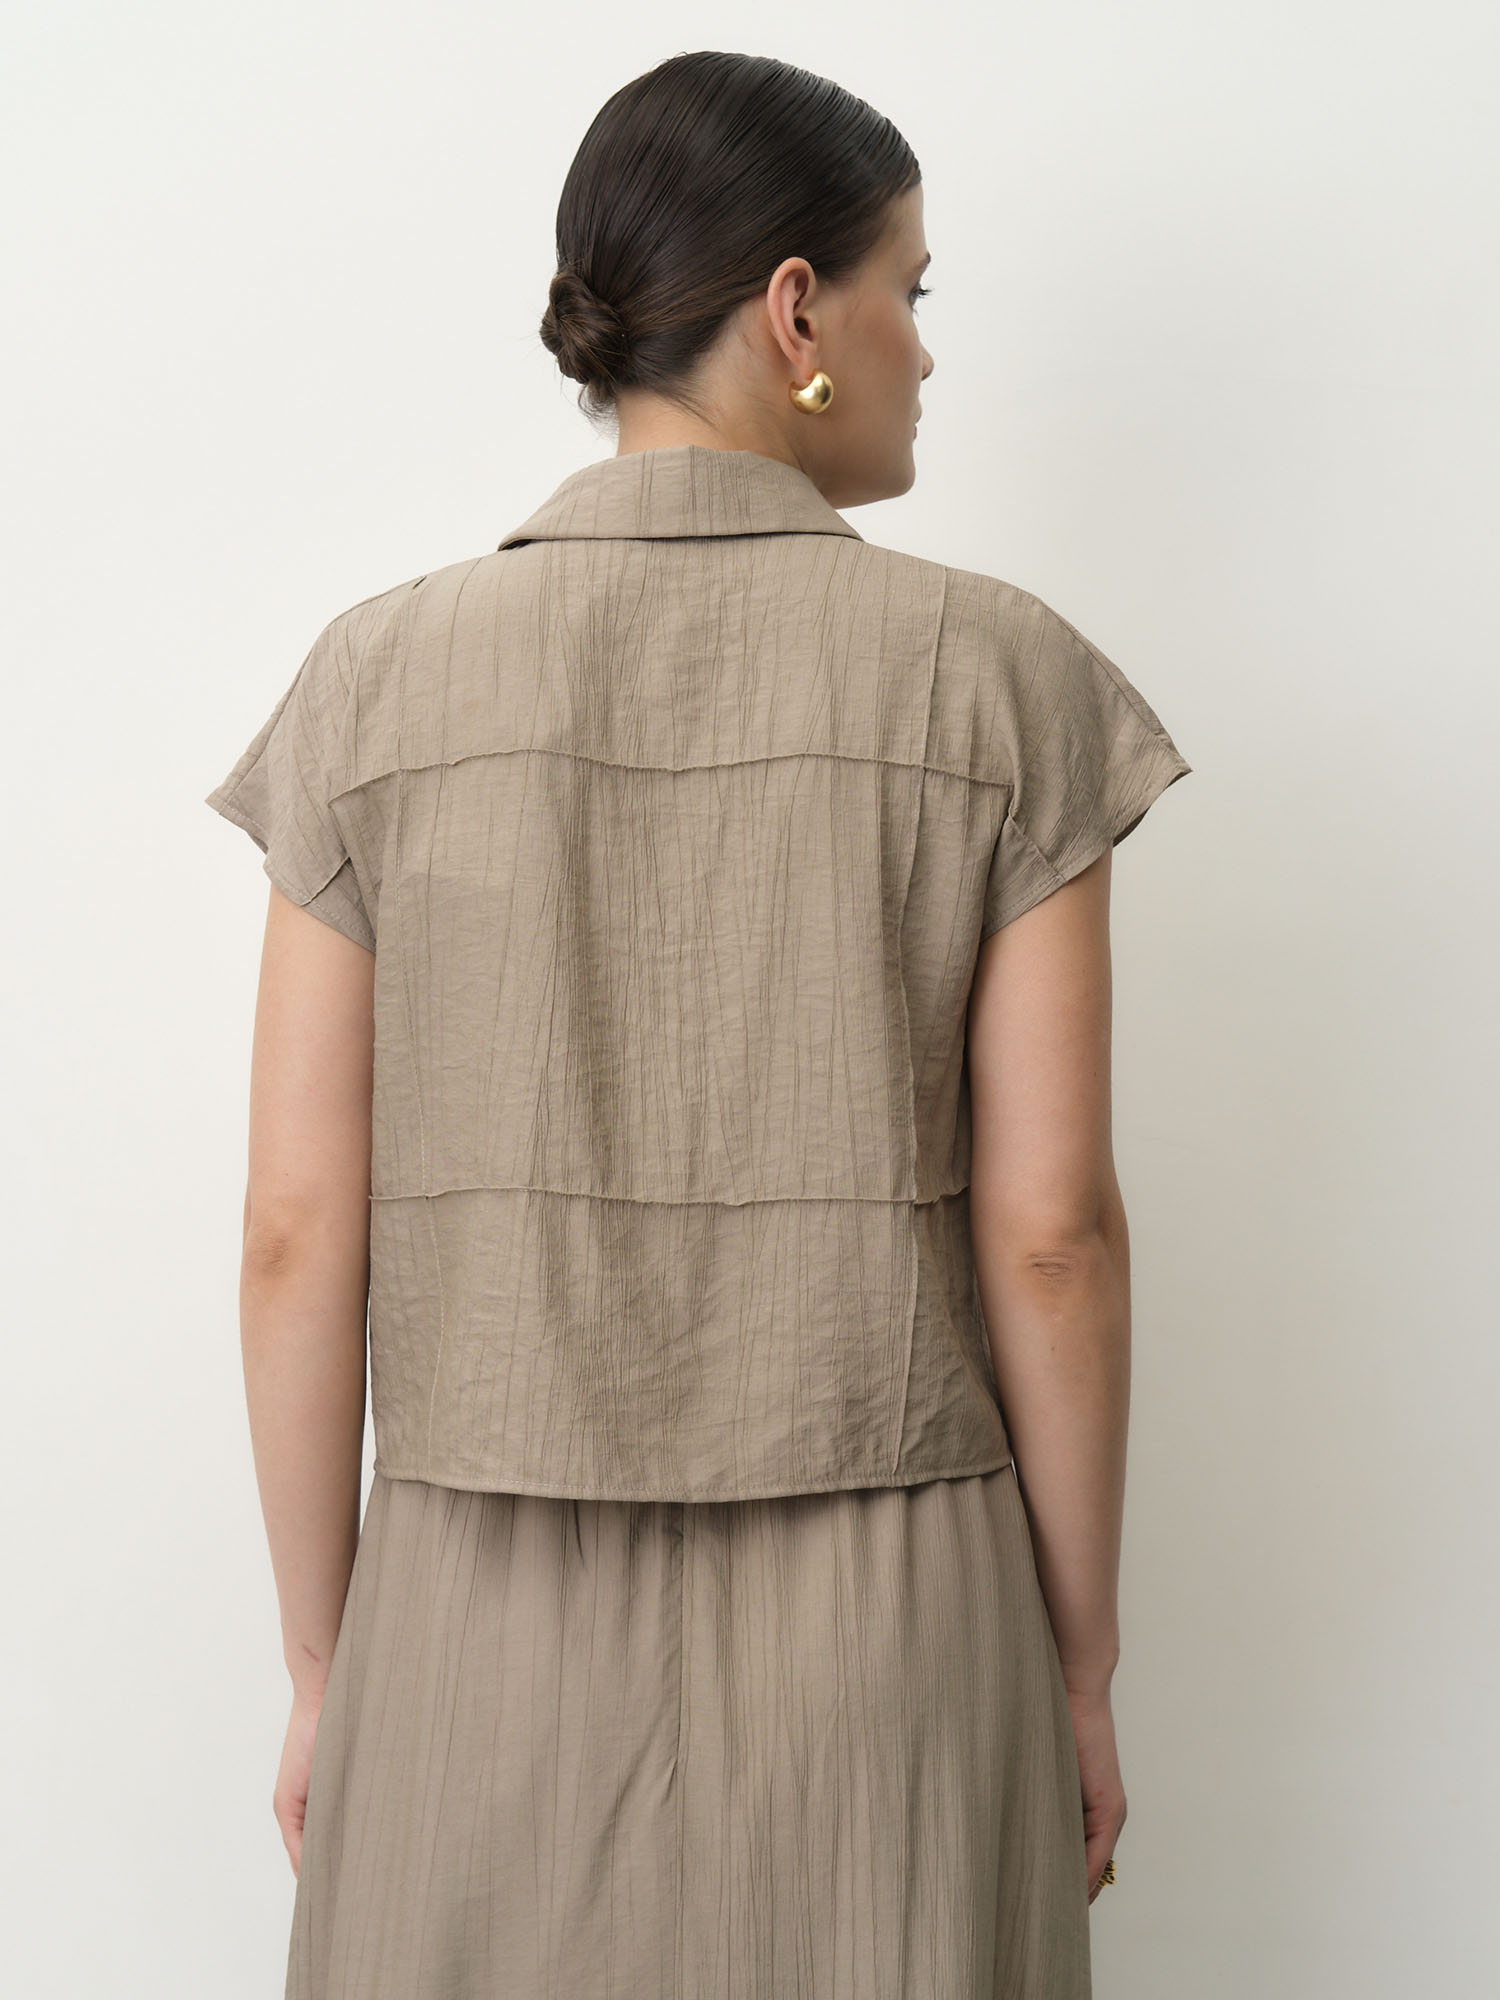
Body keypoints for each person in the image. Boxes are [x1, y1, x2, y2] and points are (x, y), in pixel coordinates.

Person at [204, 49, 1191, 2000]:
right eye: (912, 288)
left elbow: (298, 1233)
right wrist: (1079, 1664)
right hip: (897, 1621)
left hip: (476, 1618)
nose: (927, 347)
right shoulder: (1001, 683)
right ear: (797, 311)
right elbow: (1053, 1237)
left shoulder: (376, 684)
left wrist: (328, 1666)